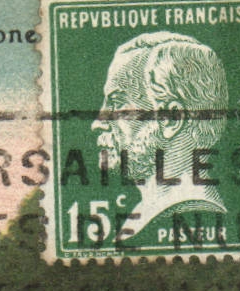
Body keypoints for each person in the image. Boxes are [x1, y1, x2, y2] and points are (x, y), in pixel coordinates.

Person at [90, 31, 229, 240]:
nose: (97, 124)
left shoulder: (187, 214)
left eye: (117, 103)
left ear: (171, 119)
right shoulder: (147, 213)